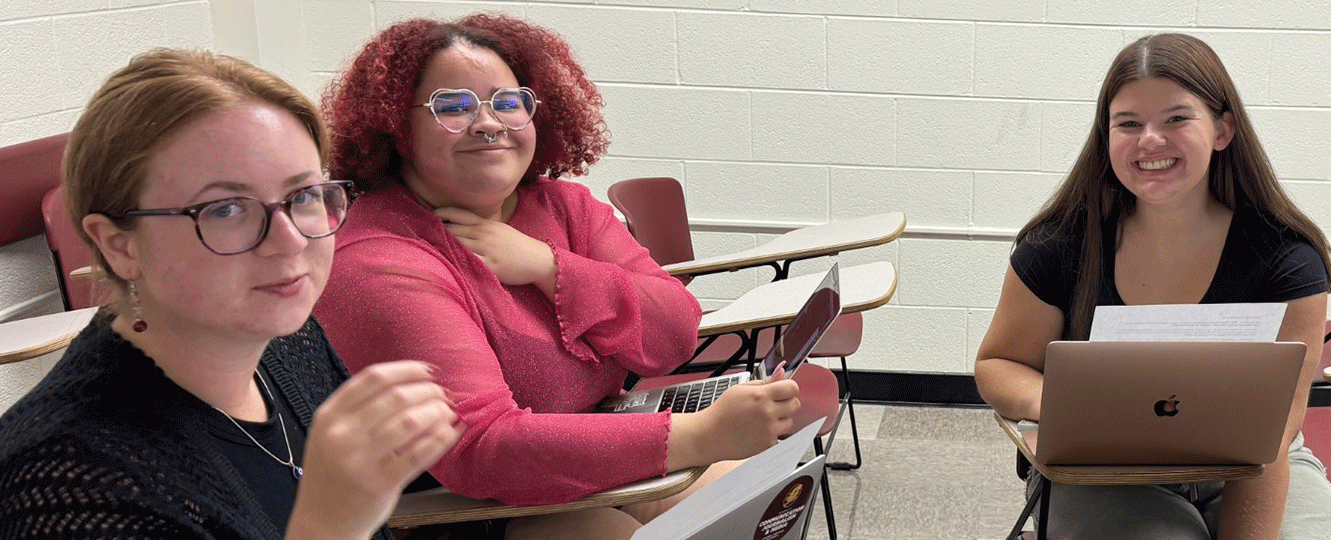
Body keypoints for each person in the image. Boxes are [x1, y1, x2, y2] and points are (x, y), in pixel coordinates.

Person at [314, 13, 800, 538]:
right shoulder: (379, 258)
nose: (488, 122)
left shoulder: (564, 208)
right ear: (394, 126)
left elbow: (676, 328)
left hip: (583, 465)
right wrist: (702, 434)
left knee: (758, 497)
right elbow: (483, 450)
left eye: (508, 102)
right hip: (462, 508)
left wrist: (549, 266)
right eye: (451, 106)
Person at [0, 49, 462, 540]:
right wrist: (331, 526)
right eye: (225, 209)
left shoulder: (285, 335)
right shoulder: (64, 482)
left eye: (303, 196)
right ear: (120, 245)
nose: (290, 240)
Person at [973, 33, 1331, 540]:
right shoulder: (1061, 243)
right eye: (1128, 124)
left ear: (1223, 129)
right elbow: (997, 366)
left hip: (1253, 465)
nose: (1149, 139)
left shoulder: (1284, 257)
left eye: (1176, 118)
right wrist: (1070, 405)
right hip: (1104, 470)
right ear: (1105, 137)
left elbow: (1274, 439)